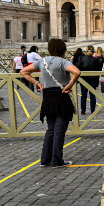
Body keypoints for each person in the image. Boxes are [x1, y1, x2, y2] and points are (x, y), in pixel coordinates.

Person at [21, 38, 80, 166]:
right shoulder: (63, 62)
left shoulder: (42, 61)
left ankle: (45, 159)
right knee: (59, 129)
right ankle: (57, 160)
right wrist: (70, 85)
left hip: (48, 98)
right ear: (63, 50)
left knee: (51, 128)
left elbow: (23, 71)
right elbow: (77, 72)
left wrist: (37, 83)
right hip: (61, 96)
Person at [77, 47, 98, 114]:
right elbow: (98, 70)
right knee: (92, 96)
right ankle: (92, 110)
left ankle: (83, 110)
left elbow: (78, 68)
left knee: (83, 95)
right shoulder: (95, 59)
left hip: (84, 79)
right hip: (93, 80)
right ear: (93, 52)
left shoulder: (81, 58)